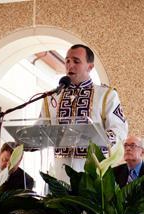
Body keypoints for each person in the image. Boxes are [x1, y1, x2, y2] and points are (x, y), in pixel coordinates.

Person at [40, 44, 128, 181]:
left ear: (90, 67)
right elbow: (41, 128)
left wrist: (96, 137)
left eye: (76, 61)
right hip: (61, 172)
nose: (70, 65)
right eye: (67, 61)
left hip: (95, 169)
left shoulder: (106, 95)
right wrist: (26, 140)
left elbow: (119, 129)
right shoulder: (52, 97)